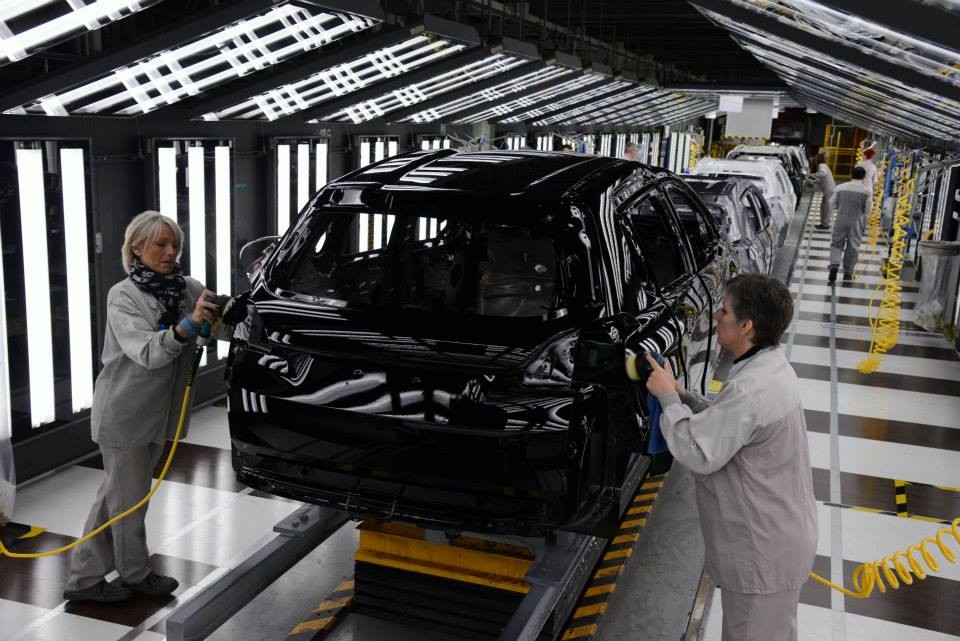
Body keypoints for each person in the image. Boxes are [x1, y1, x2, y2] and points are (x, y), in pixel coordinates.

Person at [63, 211, 226, 603]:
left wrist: (215, 319)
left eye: (175, 245)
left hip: (160, 414)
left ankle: (86, 578)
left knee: (120, 497)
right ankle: (130, 573)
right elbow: (148, 354)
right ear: (136, 249)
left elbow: (210, 332)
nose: (170, 252)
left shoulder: (188, 287)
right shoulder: (123, 296)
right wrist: (186, 327)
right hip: (125, 414)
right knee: (128, 500)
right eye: (160, 244)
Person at [644, 274, 817, 641]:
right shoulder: (768, 367)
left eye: (723, 310)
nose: (715, 317)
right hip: (779, 538)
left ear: (747, 325)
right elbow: (733, 424)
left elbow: (698, 451)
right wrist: (686, 396)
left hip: (762, 551)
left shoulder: (752, 388)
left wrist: (666, 399)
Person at [827, 165, 872, 284]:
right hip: (856, 222)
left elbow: (832, 204)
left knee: (836, 244)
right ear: (863, 177)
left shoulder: (840, 187)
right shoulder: (866, 191)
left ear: (851, 175)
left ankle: (834, 266)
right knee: (853, 247)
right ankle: (848, 273)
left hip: (840, 220)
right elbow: (867, 210)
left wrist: (841, 207)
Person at [808, 152, 835, 230]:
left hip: (829, 190)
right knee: (823, 207)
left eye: (816, 159)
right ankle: (823, 223)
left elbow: (823, 173)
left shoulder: (822, 165)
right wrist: (808, 179)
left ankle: (825, 225)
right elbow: (818, 180)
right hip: (828, 190)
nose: (814, 160)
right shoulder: (823, 166)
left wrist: (812, 175)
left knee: (826, 208)